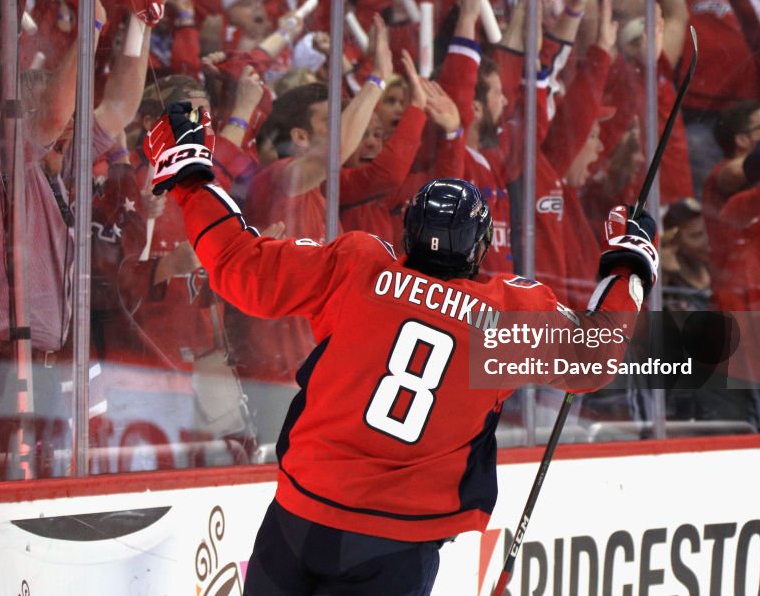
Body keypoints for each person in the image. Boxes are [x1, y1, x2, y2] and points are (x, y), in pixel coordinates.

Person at [142, 97, 659, 594]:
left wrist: (189, 178)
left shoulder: (358, 267)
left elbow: (239, 265)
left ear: (407, 235)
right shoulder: (505, 316)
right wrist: (628, 266)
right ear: (479, 250)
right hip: (397, 541)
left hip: (301, 514)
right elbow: (595, 358)